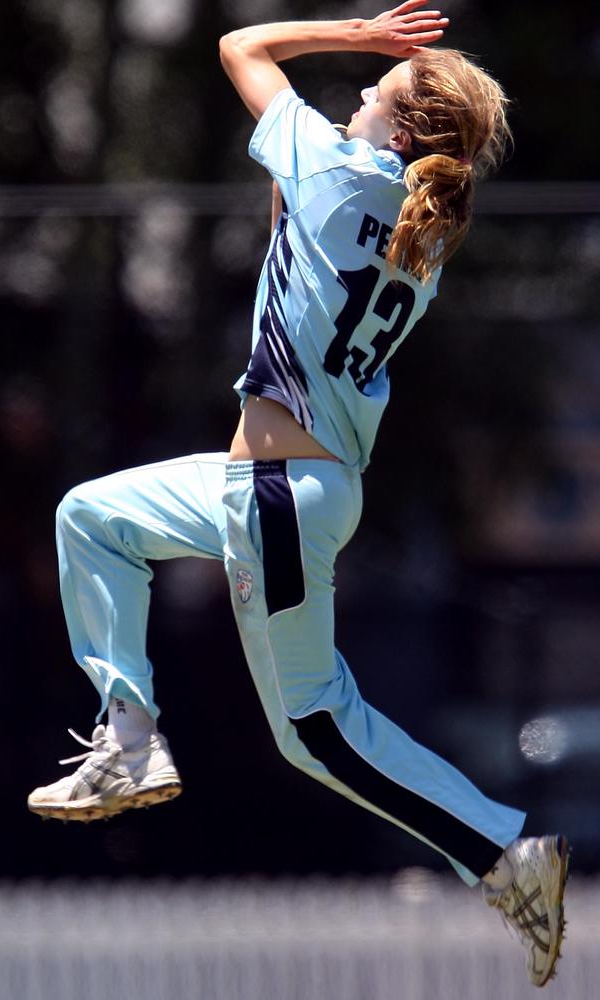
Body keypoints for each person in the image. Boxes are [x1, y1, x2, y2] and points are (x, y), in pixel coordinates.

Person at [28, 2, 568, 987]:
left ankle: (501, 859)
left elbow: (240, 44)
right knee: (92, 516)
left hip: (277, 491)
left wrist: (361, 33)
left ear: (401, 133)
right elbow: (302, 250)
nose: (358, 92)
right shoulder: (419, 235)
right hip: (278, 484)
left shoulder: (333, 167)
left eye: (376, 92)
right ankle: (131, 737)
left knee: (314, 728)